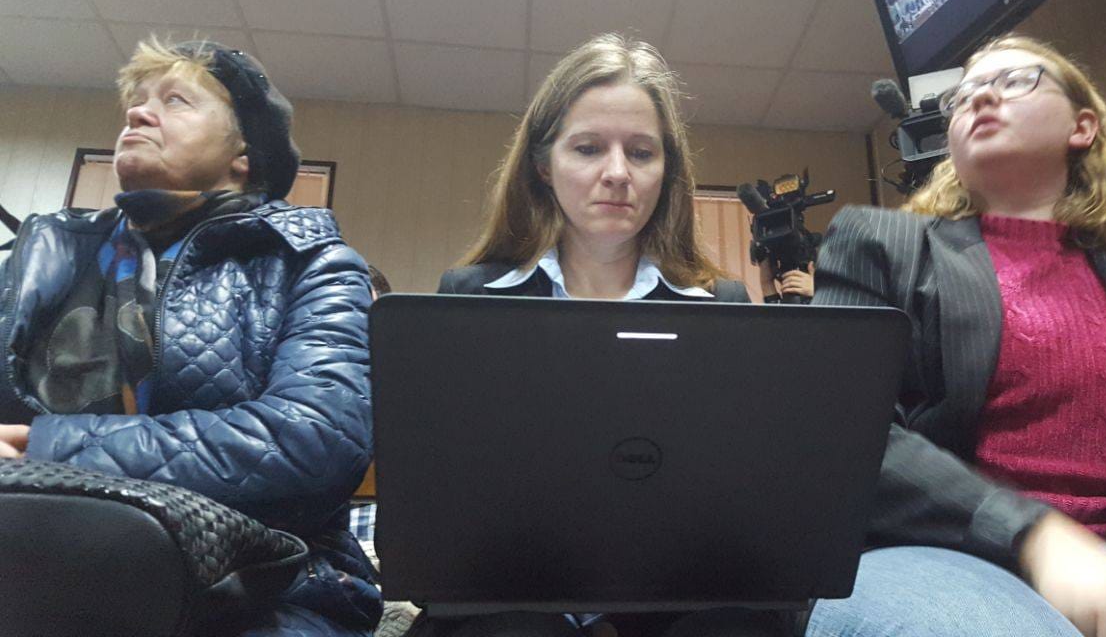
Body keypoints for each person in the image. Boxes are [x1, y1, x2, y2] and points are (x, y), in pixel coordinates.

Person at [807, 34, 1106, 637]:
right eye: (964, 94)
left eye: (1014, 81)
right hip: (944, 549)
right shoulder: (879, 242)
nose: (980, 98)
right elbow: (844, 432)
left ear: (1082, 127)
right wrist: (1035, 535)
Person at [0, 38, 380, 637]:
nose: (138, 113)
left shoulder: (310, 262)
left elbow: (315, 439)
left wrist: (49, 447)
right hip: (33, 556)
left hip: (266, 584)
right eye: (137, 101)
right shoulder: (44, 256)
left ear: (244, 154)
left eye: (175, 100)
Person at [413, 33, 785, 637]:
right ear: (543, 165)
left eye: (641, 153)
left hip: (682, 599)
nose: (617, 173)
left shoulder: (722, 308)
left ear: (666, 171)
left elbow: (744, 502)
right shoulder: (470, 298)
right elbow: (444, 504)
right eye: (588, 148)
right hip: (512, 599)